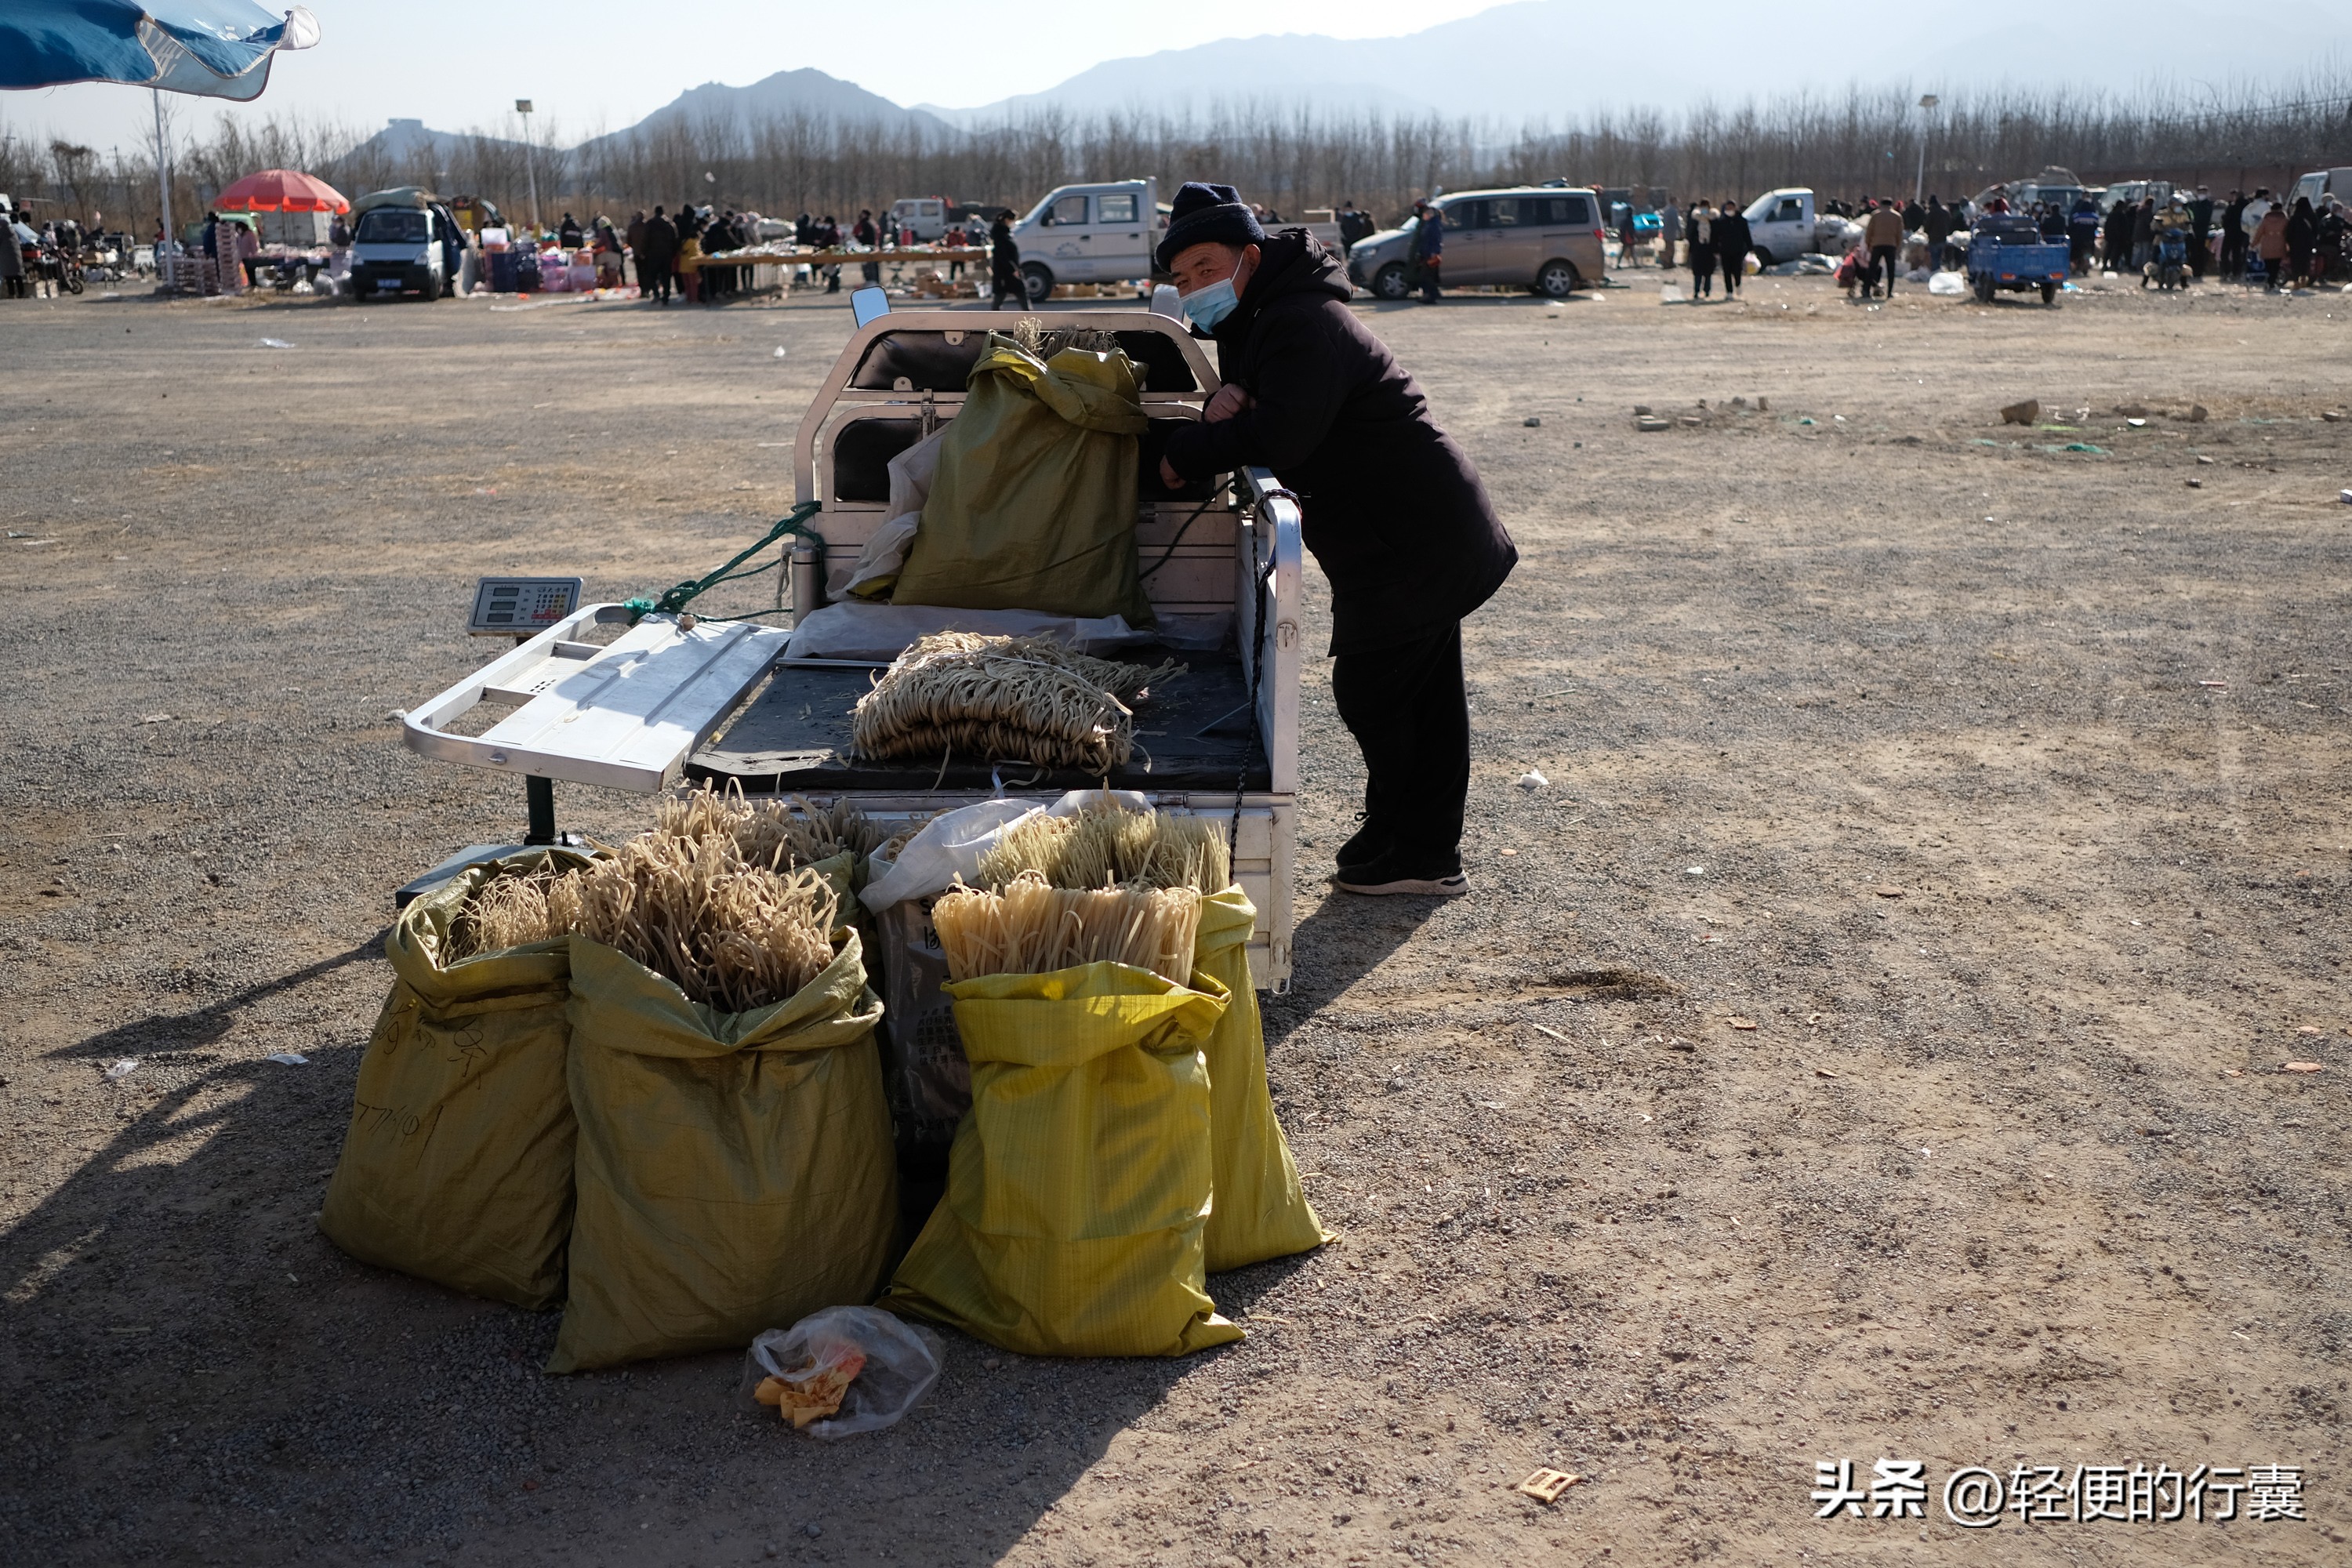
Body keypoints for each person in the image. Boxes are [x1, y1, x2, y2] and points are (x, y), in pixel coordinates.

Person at [1151, 183, 1515, 897]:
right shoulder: (1262, 318)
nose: (1194, 287)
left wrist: (1188, 452)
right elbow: (1268, 405)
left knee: (1374, 690)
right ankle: (1419, 849)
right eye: (1182, 276)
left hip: (1411, 532)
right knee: (1422, 695)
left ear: (1249, 258)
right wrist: (1230, 403)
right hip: (1403, 528)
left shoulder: (1299, 321)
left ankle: (1413, 844)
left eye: (1206, 267)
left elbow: (1286, 430)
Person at [637, 205, 677, 304]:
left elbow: (645, 239)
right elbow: (675, 239)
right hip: (667, 255)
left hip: (653, 255)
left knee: (651, 276)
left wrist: (643, 252)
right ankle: (666, 296)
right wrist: (673, 253)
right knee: (666, 276)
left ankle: (656, 294)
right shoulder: (669, 224)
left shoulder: (650, 224)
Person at [1864, 197, 1903, 298]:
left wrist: (1868, 244)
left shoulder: (1875, 215)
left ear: (1881, 204)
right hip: (1891, 245)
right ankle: (1890, 292)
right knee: (1891, 269)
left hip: (1877, 244)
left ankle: (1866, 290)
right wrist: (1898, 246)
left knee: (1872, 268)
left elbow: (1869, 232)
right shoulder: (1897, 216)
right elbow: (1899, 234)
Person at [1408, 198, 1443, 302]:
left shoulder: (1433, 225)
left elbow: (1436, 239)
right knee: (1427, 276)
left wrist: (1433, 252)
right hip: (1426, 253)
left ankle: (1430, 296)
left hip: (1430, 254)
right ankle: (1432, 294)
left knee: (1426, 276)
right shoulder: (1429, 224)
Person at [1714, 198, 1750, 295]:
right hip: (1725, 250)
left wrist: (1751, 248)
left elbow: (1746, 235)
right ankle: (1729, 292)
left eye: (1731, 208)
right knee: (1727, 272)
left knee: (1737, 270)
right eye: (1727, 208)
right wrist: (1716, 249)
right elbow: (1716, 236)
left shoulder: (1741, 221)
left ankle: (1738, 284)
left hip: (1738, 250)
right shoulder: (1722, 221)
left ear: (1735, 208)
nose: (1729, 210)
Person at [2251, 201, 2288, 290]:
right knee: (2276, 266)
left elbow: (2259, 233)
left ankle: (2268, 282)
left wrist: (2253, 244)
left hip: (2267, 245)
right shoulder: (2285, 220)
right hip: (2280, 244)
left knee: (2268, 265)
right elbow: (2288, 233)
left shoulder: (2266, 220)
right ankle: (2272, 282)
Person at [988, 212, 1020, 307]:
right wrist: (1013, 268)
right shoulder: (1001, 234)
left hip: (1006, 268)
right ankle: (1029, 316)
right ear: (1007, 220)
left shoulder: (1004, 232)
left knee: (1001, 295)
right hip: (1005, 269)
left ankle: (994, 316)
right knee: (1019, 291)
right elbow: (1002, 254)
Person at [2285, 197, 2318, 289]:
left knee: (2295, 262)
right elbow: (2315, 231)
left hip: (2295, 244)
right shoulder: (2312, 216)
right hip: (2308, 243)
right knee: (2305, 261)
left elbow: (2289, 231)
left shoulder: (2295, 217)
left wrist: (2288, 242)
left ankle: (2295, 281)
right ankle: (2303, 280)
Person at [1686, 200, 1715, 298]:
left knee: (1708, 272)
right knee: (1697, 271)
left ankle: (1707, 290)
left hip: (1709, 248)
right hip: (1697, 248)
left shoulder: (1713, 219)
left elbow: (1716, 234)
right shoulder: (1695, 218)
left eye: (1706, 206)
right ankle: (1696, 290)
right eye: (1703, 206)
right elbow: (1690, 233)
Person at [2186, 187, 2214, 278]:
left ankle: (2199, 271)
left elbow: (2206, 218)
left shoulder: (2208, 204)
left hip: (2202, 232)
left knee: (2200, 252)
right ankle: (2191, 270)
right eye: (2200, 192)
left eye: (2203, 192)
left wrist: (2196, 222)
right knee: (2192, 252)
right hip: (2192, 232)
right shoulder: (2194, 204)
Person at [2220, 191, 2249, 281]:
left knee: (2225, 253)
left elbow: (2226, 219)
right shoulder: (2247, 207)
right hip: (2241, 233)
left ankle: (2226, 272)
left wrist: (2224, 221)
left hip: (2230, 233)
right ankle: (2237, 273)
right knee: (2237, 254)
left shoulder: (2232, 207)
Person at [853, 209, 880, 286]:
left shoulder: (865, 224)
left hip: (867, 247)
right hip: (873, 246)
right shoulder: (872, 222)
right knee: (874, 266)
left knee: (868, 266)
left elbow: (865, 236)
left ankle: (871, 281)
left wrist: (858, 237)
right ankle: (875, 280)